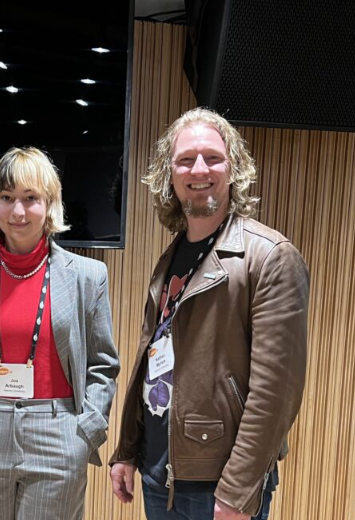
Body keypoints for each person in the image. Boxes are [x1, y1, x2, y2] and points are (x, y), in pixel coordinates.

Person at [109, 108, 309, 520]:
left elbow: (276, 393)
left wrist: (238, 489)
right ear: (170, 174)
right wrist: (128, 448)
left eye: (213, 157)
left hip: (218, 485)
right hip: (158, 471)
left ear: (233, 168)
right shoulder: (171, 256)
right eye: (185, 159)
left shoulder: (270, 257)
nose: (199, 169)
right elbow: (153, 360)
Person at [0, 147, 120, 520]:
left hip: (58, 432)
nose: (17, 212)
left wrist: (84, 433)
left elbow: (103, 363)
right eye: (6, 198)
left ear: (50, 204)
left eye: (30, 198)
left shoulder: (87, 276)